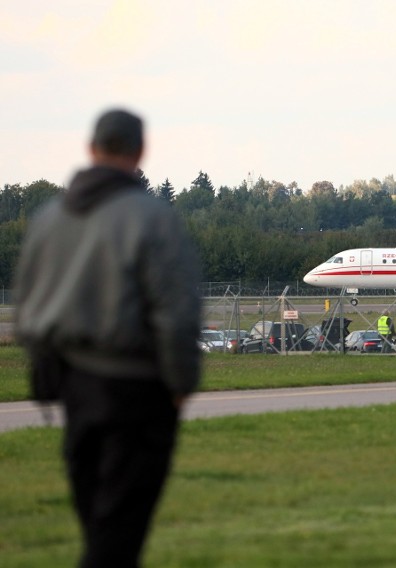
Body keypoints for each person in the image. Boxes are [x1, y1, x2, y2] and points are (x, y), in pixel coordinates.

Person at [14, 108, 202, 568]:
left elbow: (28, 308)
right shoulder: (152, 219)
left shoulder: (49, 219)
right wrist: (180, 384)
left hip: (73, 388)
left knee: (98, 519)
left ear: (90, 148)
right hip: (137, 390)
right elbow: (175, 312)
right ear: (140, 151)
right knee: (118, 532)